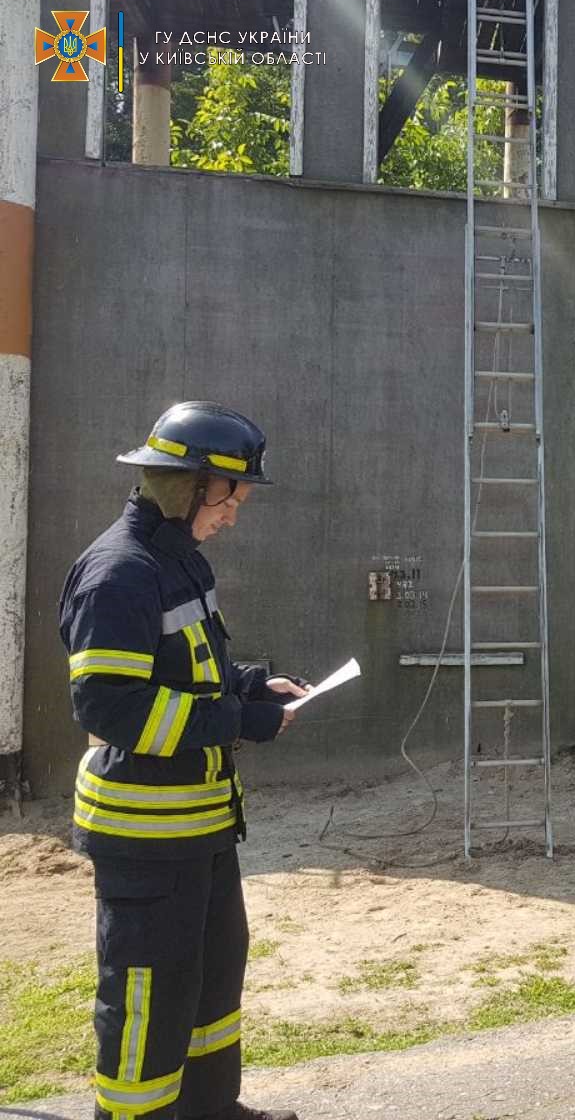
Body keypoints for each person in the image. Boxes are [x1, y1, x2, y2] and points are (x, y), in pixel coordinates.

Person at [60, 401, 307, 1120]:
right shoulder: (119, 575)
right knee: (150, 998)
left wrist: (251, 685)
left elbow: (190, 671)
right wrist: (239, 720)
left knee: (210, 980)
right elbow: (110, 708)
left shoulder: (179, 562)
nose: (233, 515)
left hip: (198, 828)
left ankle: (210, 1109)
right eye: (229, 498)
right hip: (146, 837)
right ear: (190, 485)